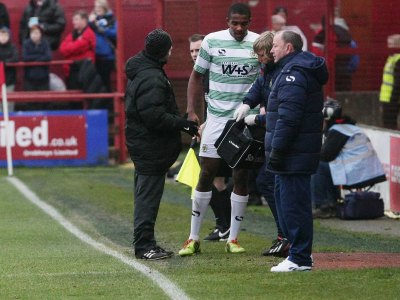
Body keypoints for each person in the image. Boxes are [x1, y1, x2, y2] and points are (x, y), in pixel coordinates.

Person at [179, 3, 260, 256]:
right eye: (234, 23)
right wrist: (192, 111)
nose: (238, 28)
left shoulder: (258, 43)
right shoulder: (212, 41)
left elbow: (266, 79)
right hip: (216, 119)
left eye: (243, 23)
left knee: (241, 176)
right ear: (227, 21)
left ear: (249, 22)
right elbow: (196, 75)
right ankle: (193, 238)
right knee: (207, 172)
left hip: (245, 120)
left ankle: (233, 239)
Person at [125, 29, 199, 260]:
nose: (171, 50)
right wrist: (184, 125)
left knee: (145, 195)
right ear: (162, 51)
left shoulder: (145, 70)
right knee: (148, 197)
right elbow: (154, 117)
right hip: (150, 146)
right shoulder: (152, 77)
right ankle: (144, 245)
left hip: (144, 144)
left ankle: (145, 243)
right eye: (169, 47)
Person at [266, 30, 328, 272]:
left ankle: (300, 258)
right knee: (286, 202)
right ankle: (298, 254)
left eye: (275, 45)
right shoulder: (293, 70)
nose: (271, 50)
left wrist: (278, 150)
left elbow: (289, 118)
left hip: (294, 153)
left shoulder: (294, 74)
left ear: (288, 48)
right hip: (294, 152)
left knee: (294, 204)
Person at [238, 30, 290, 257]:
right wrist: (246, 102)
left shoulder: (283, 74)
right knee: (270, 183)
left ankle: (286, 236)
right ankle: (284, 236)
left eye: (261, 54)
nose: (259, 58)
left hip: (282, 136)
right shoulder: (268, 71)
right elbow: (260, 86)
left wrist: (257, 118)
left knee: (272, 184)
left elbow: (284, 112)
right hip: (273, 135)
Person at [188, 33, 232, 242]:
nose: (196, 54)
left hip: (227, 128)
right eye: (192, 51)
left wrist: (206, 125)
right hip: (213, 128)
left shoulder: (214, 71)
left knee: (213, 177)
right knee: (217, 179)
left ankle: (225, 225)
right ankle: (224, 226)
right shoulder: (202, 73)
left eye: (198, 50)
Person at [311, 99, 386, 218]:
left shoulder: (338, 131)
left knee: (317, 165)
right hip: (370, 172)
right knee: (330, 166)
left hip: (358, 173)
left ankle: (323, 205)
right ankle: (332, 203)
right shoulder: (349, 127)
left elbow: (326, 155)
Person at [311, 15, 354, 91]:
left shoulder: (321, 34)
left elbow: (316, 55)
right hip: (344, 71)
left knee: (329, 96)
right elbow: (354, 53)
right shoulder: (345, 33)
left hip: (329, 71)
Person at [59, 10, 96, 90]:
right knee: (72, 98)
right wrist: (74, 45)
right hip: (70, 72)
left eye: (76, 19)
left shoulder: (89, 33)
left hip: (83, 72)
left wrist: (70, 47)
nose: (73, 22)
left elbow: (78, 47)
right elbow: (62, 49)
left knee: (83, 97)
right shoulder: (72, 34)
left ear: (84, 20)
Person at [88, 0, 117, 92]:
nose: (97, 9)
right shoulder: (92, 19)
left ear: (104, 7)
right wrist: (90, 22)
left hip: (107, 56)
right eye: (96, 7)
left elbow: (115, 33)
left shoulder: (111, 19)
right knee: (94, 82)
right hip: (93, 55)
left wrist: (102, 30)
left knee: (105, 81)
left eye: (99, 7)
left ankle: (108, 104)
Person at [22, 25, 52, 92]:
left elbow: (48, 57)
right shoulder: (26, 43)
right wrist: (39, 56)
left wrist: (33, 57)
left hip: (43, 76)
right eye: (32, 33)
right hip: (29, 76)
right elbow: (25, 57)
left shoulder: (45, 43)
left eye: (36, 33)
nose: (34, 35)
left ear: (41, 34)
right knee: (30, 99)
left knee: (43, 100)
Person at [379, 34, 400, 130]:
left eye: (391, 44)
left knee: (389, 127)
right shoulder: (391, 58)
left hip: (392, 99)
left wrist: (393, 100)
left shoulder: (397, 60)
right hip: (387, 98)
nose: (388, 46)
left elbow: (397, 83)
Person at [0, 26, 18, 112]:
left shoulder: (12, 47)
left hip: (10, 79)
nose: (3, 37)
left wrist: (4, 63)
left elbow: (15, 58)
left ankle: (11, 117)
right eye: (1, 35)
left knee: (9, 101)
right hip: (0, 80)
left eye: (5, 35)